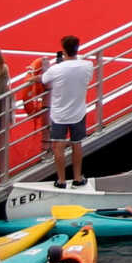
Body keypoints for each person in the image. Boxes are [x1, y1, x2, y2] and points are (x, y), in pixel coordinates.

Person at [39, 36, 96, 187]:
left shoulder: (56, 69)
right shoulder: (87, 65)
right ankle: (77, 178)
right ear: (77, 48)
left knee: (59, 146)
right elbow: (87, 79)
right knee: (77, 144)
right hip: (78, 112)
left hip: (59, 115)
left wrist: (32, 79)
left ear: (63, 50)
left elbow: (44, 80)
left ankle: (62, 180)